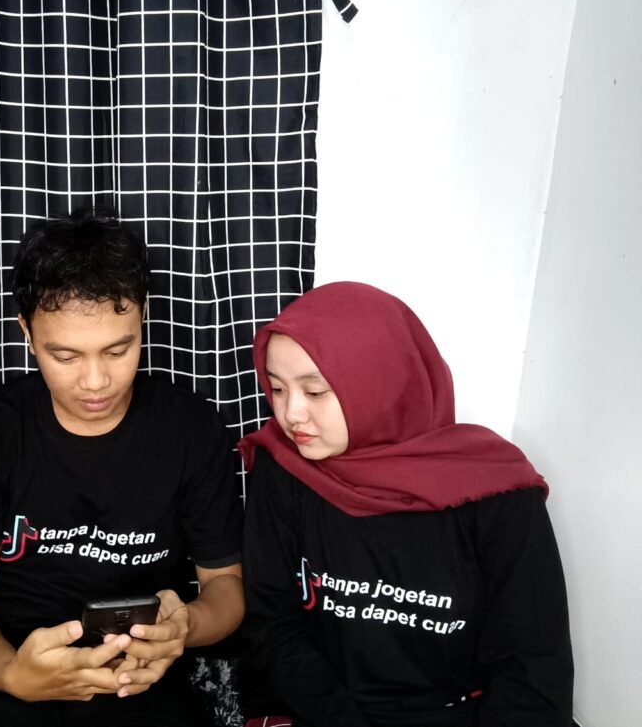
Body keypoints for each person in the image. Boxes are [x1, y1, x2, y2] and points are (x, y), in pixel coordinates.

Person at [0, 214, 245, 726]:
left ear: (144, 318)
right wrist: (13, 675)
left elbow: (226, 590)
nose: (96, 381)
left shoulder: (191, 427)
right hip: (11, 674)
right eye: (65, 356)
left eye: (118, 350)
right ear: (27, 332)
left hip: (144, 680)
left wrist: (183, 626)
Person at [238, 281, 573, 727]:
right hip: (320, 713)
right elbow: (273, 625)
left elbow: (532, 665)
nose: (291, 413)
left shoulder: (496, 491)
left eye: (315, 391)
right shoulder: (283, 469)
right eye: (278, 389)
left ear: (380, 383)